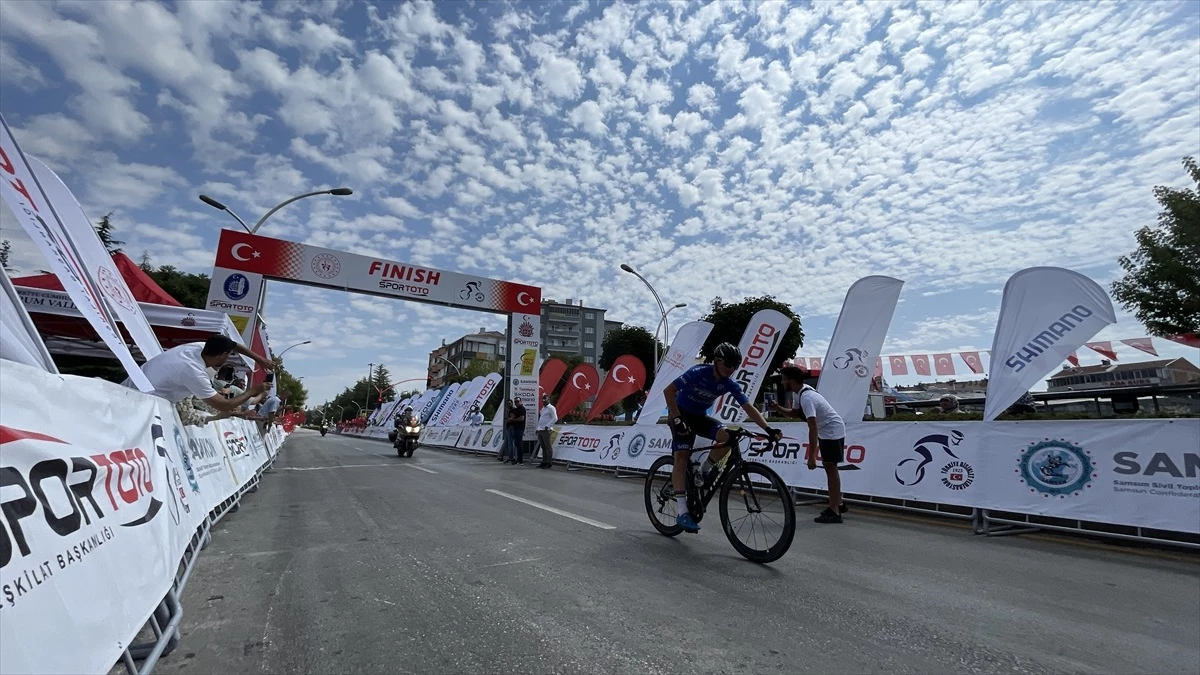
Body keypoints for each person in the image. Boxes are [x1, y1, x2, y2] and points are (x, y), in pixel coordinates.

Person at [662, 342, 782, 533]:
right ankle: (682, 512)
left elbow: (748, 406)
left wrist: (768, 429)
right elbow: (668, 392)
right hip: (680, 415)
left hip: (699, 418)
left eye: (735, 365)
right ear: (717, 361)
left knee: (728, 437)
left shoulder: (728, 383)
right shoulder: (698, 372)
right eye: (728, 364)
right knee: (682, 458)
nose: (731, 369)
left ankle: (705, 470)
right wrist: (676, 419)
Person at [772, 366, 847, 524]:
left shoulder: (806, 398)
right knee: (831, 467)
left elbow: (812, 426)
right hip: (829, 429)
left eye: (784, 379)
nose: (782, 381)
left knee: (830, 467)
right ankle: (838, 503)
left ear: (790, 381)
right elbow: (795, 414)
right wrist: (778, 408)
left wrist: (812, 455)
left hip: (832, 430)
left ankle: (834, 511)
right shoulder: (800, 392)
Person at [126, 334, 270, 414]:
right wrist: (252, 391)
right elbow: (224, 406)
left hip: (130, 392)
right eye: (229, 355)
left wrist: (259, 358)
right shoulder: (194, 371)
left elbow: (233, 345)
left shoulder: (198, 347)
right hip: (138, 406)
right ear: (223, 355)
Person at [535, 394, 557, 469]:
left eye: (546, 399)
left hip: (546, 429)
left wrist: (548, 425)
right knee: (543, 446)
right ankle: (544, 461)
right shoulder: (543, 409)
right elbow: (541, 419)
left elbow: (555, 418)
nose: (544, 401)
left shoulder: (551, 408)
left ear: (549, 400)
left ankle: (549, 462)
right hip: (541, 429)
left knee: (548, 446)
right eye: (543, 399)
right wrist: (537, 428)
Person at [504, 397, 527, 465]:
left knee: (519, 444)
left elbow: (521, 419)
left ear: (520, 401)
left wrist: (512, 420)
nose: (516, 402)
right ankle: (517, 459)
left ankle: (521, 460)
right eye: (515, 401)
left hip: (520, 428)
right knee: (516, 444)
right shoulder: (515, 409)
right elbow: (512, 416)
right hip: (515, 428)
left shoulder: (522, 409)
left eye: (517, 401)